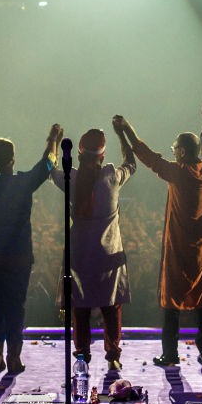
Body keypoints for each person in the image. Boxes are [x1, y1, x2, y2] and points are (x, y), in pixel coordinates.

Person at [117, 106, 202, 366]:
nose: (172, 151)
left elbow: (149, 157)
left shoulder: (178, 172)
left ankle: (170, 353)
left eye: (175, 148)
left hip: (179, 248)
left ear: (182, 152)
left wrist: (127, 128)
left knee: (171, 300)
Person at [0, 124, 62, 374]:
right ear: (13, 159)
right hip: (18, 255)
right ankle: (14, 356)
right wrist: (53, 140)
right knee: (16, 304)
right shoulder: (23, 183)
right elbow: (47, 164)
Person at [51, 121, 136, 371]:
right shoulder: (111, 176)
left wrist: (54, 141)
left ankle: (82, 356)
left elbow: (50, 168)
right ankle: (113, 355)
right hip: (108, 253)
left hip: (79, 254)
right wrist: (121, 134)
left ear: (79, 153)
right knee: (111, 307)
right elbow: (131, 163)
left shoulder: (71, 178)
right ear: (103, 154)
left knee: (81, 308)